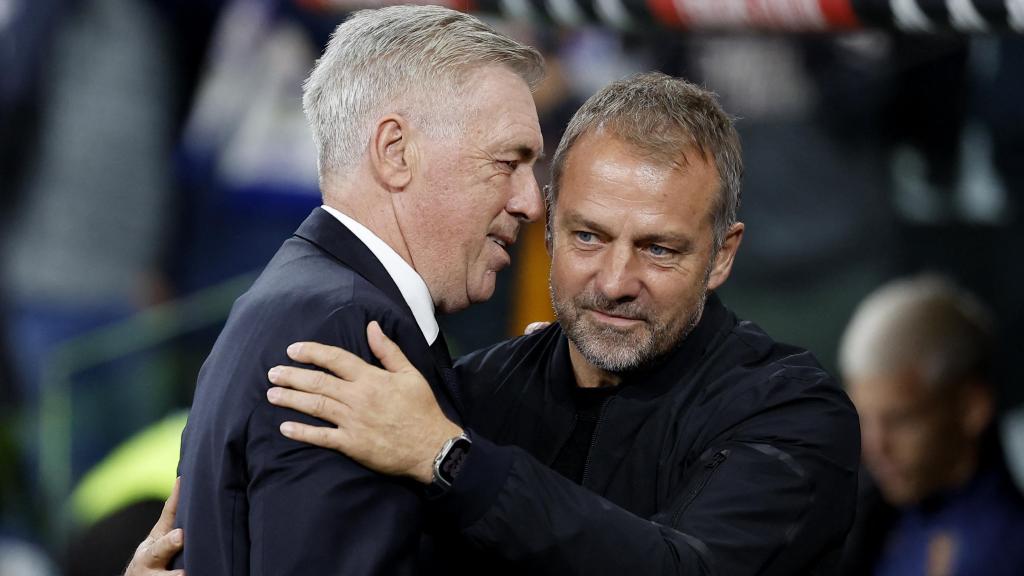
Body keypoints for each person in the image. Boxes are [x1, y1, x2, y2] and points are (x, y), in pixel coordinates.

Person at [131, 74, 860, 574]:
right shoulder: (466, 394)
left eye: (659, 249)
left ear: (723, 255)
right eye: (588, 237)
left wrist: (452, 462)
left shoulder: (792, 414)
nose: (614, 281)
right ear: (545, 222)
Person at [164, 5, 545, 574]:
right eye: (507, 161)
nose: (531, 202)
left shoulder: (298, 298)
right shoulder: (348, 327)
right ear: (396, 152)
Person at [837, 276, 1024, 576]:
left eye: (899, 420)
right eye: (863, 419)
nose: (874, 446)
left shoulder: (995, 551)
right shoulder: (880, 514)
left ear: (971, 409)